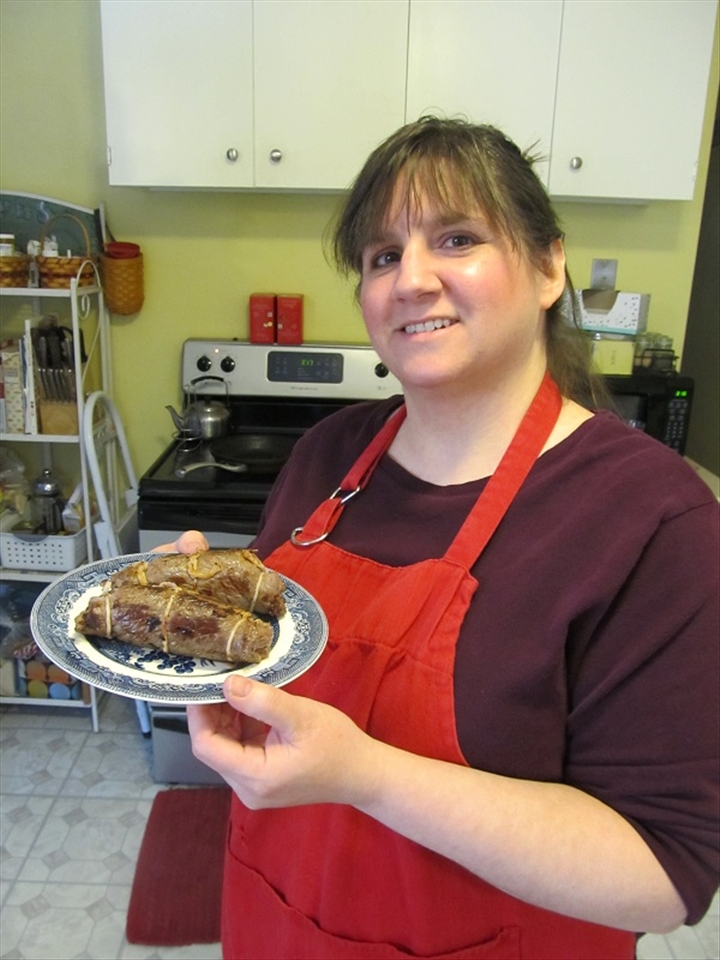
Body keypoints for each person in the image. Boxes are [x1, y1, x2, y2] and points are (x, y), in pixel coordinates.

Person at [174, 118, 718, 959]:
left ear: (547, 267)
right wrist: (193, 628)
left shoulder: (651, 519)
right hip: (277, 923)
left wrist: (366, 776)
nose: (410, 281)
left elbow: (663, 873)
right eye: (383, 255)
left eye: (456, 239)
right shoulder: (328, 451)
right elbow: (277, 667)